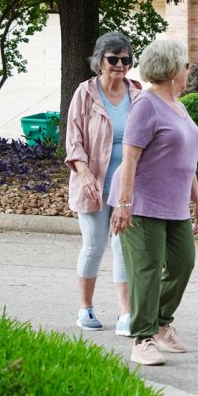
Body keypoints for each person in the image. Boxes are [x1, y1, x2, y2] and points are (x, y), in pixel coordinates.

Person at [109, 38, 198, 366]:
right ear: (170, 68)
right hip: (142, 202)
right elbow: (131, 156)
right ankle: (142, 338)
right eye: (185, 64)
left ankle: (162, 322)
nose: (187, 69)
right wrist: (124, 204)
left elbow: (187, 158)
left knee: (182, 263)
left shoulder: (179, 105)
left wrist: (197, 202)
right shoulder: (146, 104)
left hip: (175, 203)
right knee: (147, 269)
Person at [65, 31, 141, 336]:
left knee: (123, 247)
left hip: (126, 188)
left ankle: (125, 313)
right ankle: (85, 308)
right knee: (95, 245)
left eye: (124, 59)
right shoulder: (85, 94)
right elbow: (74, 141)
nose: (119, 65)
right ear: (100, 61)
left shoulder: (137, 93)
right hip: (93, 184)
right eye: (113, 59)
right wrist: (84, 175)